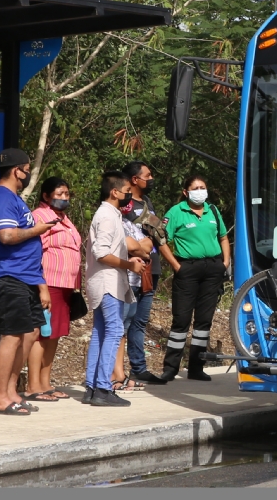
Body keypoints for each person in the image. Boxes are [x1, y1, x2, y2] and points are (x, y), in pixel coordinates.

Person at [0, 148, 54, 415]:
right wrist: (40, 229)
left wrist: (40, 284)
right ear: (17, 170)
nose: (27, 174)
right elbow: (7, 236)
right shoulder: (2, 196)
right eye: (27, 169)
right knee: (11, 336)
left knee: (30, 332)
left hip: (26, 277)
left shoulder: (14, 198)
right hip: (7, 276)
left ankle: (12, 391)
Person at [160, 174, 232, 382]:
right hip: (187, 269)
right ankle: (171, 367)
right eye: (196, 188)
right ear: (186, 192)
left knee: (204, 321)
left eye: (203, 187)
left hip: (212, 269)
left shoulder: (213, 211)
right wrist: (175, 265)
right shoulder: (176, 212)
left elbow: (224, 237)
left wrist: (224, 263)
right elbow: (161, 239)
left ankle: (196, 368)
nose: (200, 191)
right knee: (181, 320)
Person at [84, 173, 148, 406]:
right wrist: (129, 264)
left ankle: (91, 386)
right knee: (114, 330)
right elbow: (101, 252)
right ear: (115, 192)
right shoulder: (108, 217)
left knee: (101, 332)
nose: (129, 196)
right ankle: (103, 387)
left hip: (103, 281)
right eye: (126, 191)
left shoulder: (109, 214)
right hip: (108, 282)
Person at [29, 176, 82, 402]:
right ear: (46, 196)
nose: (64, 198)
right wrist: (41, 287)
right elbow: (34, 252)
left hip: (66, 286)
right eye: (59, 194)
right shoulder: (39, 217)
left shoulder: (65, 219)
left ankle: (46, 382)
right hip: (48, 283)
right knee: (42, 334)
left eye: (66, 194)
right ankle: (33, 385)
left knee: (55, 334)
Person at [112, 179, 161, 390]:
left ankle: (135, 371)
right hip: (122, 282)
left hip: (141, 278)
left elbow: (148, 244)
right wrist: (140, 247)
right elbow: (132, 246)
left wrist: (140, 247)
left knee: (136, 324)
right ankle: (116, 375)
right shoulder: (111, 221)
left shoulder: (131, 224)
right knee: (119, 329)